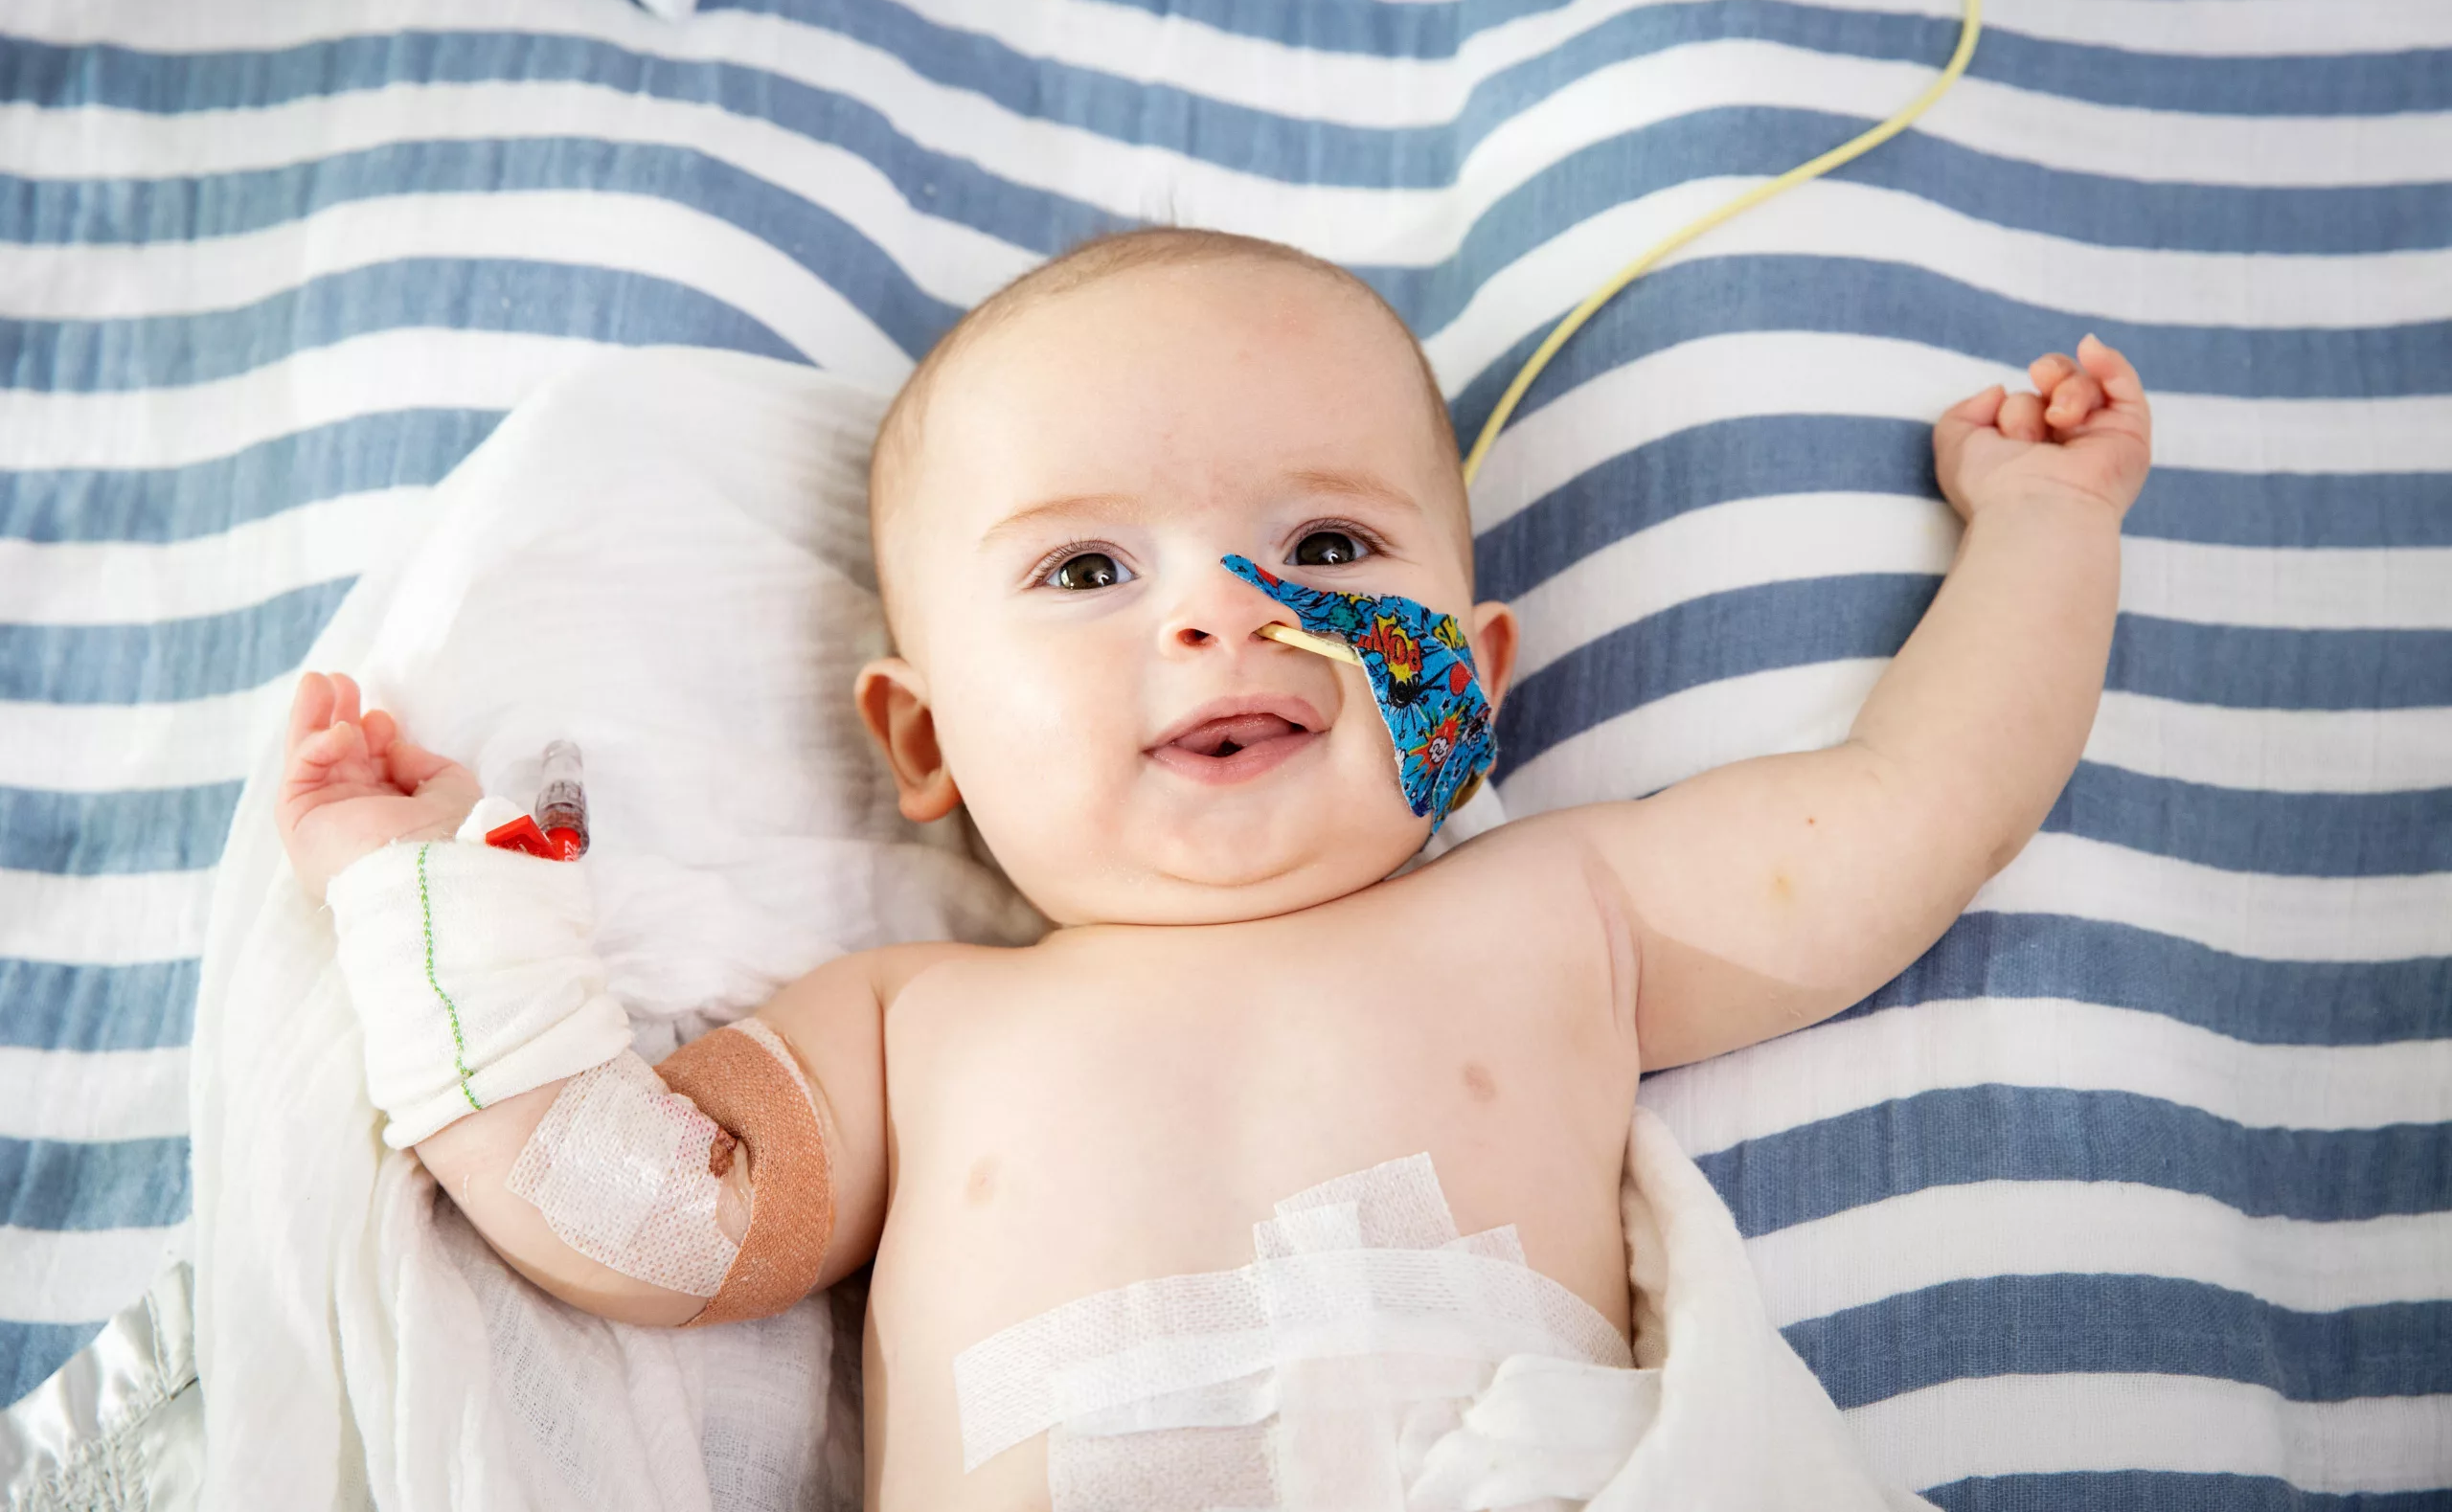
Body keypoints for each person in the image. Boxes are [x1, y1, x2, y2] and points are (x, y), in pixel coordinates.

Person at [277, 228, 2152, 1508]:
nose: (1218, 621)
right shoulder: (914, 1024)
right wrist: (438, 902)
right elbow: (641, 1228)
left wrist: (2045, 532)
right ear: (923, 741)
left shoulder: (1562, 911)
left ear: (1470, 683)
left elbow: (1917, 805)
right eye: (1087, 571)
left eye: (1326, 546)